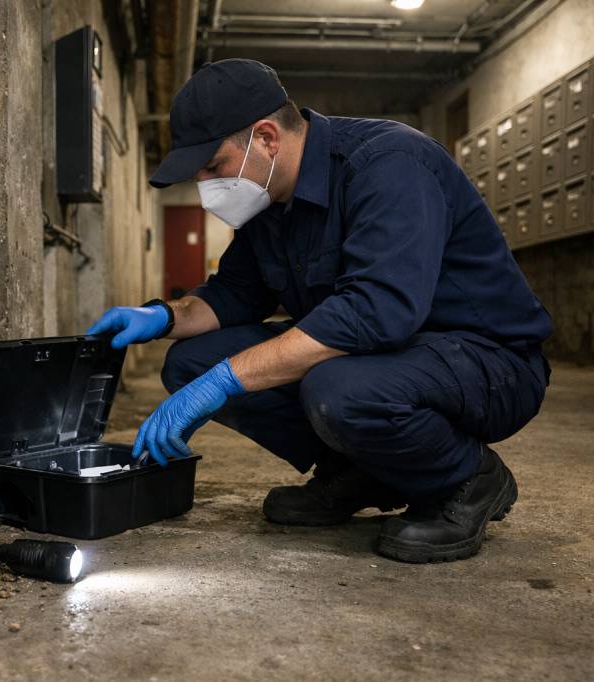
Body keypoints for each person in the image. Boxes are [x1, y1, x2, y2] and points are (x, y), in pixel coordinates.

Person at [88, 59, 552, 563]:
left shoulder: (390, 163)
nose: (205, 186)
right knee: (189, 360)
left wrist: (225, 380)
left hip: (488, 363)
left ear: (267, 137)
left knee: (337, 390)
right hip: (386, 355)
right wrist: (162, 317)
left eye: (213, 166)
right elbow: (235, 294)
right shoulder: (268, 203)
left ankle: (468, 477)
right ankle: (360, 471)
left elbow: (377, 312)